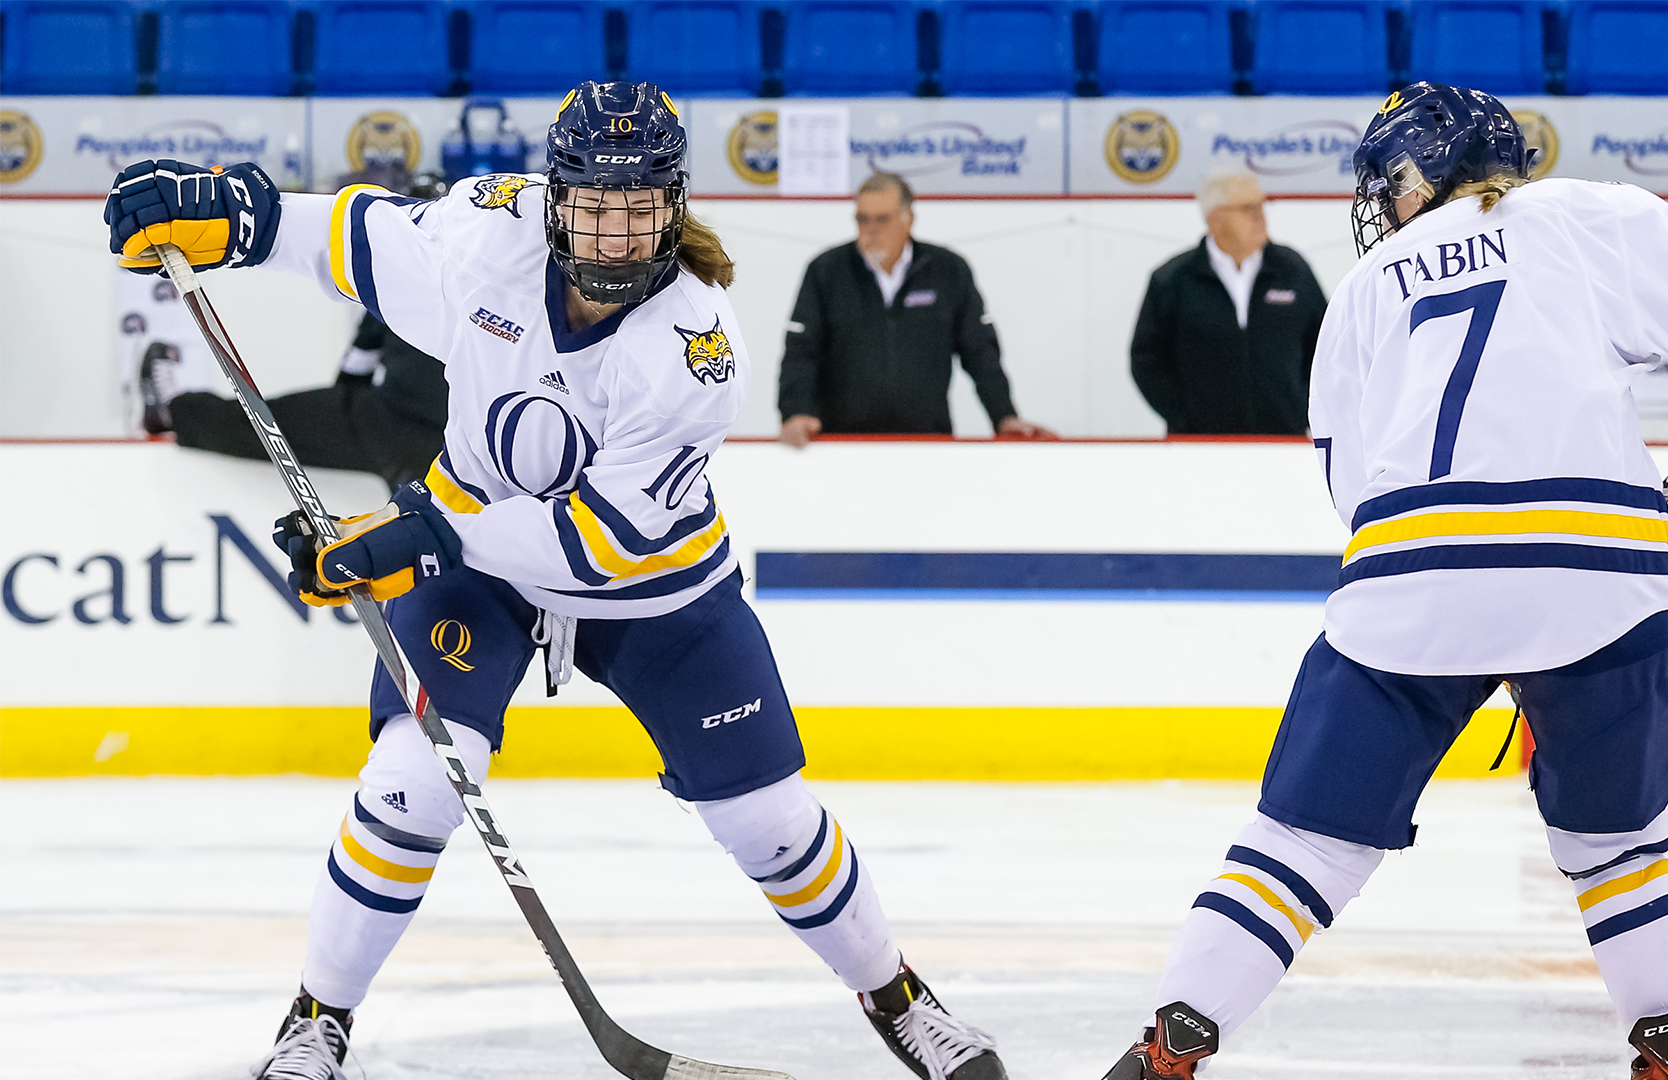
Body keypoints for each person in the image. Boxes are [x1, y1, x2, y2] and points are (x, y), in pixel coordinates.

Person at [106, 82, 1007, 1080]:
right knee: (410, 786)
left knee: (771, 825)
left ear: (674, 206)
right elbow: (356, 239)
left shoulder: (695, 346)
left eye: (640, 211)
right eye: (595, 208)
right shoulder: (489, 236)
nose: (617, 236)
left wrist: (418, 532)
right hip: (480, 570)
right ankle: (316, 1021)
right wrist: (238, 217)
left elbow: (599, 543)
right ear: (556, 201)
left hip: (652, 589)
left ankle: (901, 1001)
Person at [1100, 83, 1668, 1080]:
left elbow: (1350, 485)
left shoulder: (1363, 292)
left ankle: (1174, 1038)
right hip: (1596, 580)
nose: (1383, 204)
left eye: (1389, 181)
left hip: (1409, 582)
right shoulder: (1596, 215)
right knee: (1621, 846)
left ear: (1427, 175)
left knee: (1303, 844)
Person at [135, 170, 451, 492]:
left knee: (269, 427)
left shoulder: (390, 278)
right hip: (467, 438)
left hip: (392, 421)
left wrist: (341, 407)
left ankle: (173, 410)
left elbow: (357, 366)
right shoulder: (482, 280)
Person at [776, 172, 1053, 445]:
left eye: (882, 219)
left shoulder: (948, 270)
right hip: (844, 443)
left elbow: (980, 352)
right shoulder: (826, 272)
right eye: (863, 219)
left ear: (908, 220)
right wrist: (795, 411)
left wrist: (1004, 416)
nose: (871, 229)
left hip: (927, 444)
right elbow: (801, 352)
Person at [1129, 168, 1327, 436]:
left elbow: (1325, 346)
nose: (1260, 216)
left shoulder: (1293, 271)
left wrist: (1302, 407)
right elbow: (1147, 359)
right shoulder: (1173, 280)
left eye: (1262, 205)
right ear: (1215, 219)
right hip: (1198, 445)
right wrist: (1184, 415)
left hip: (1283, 440)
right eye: (1247, 208)